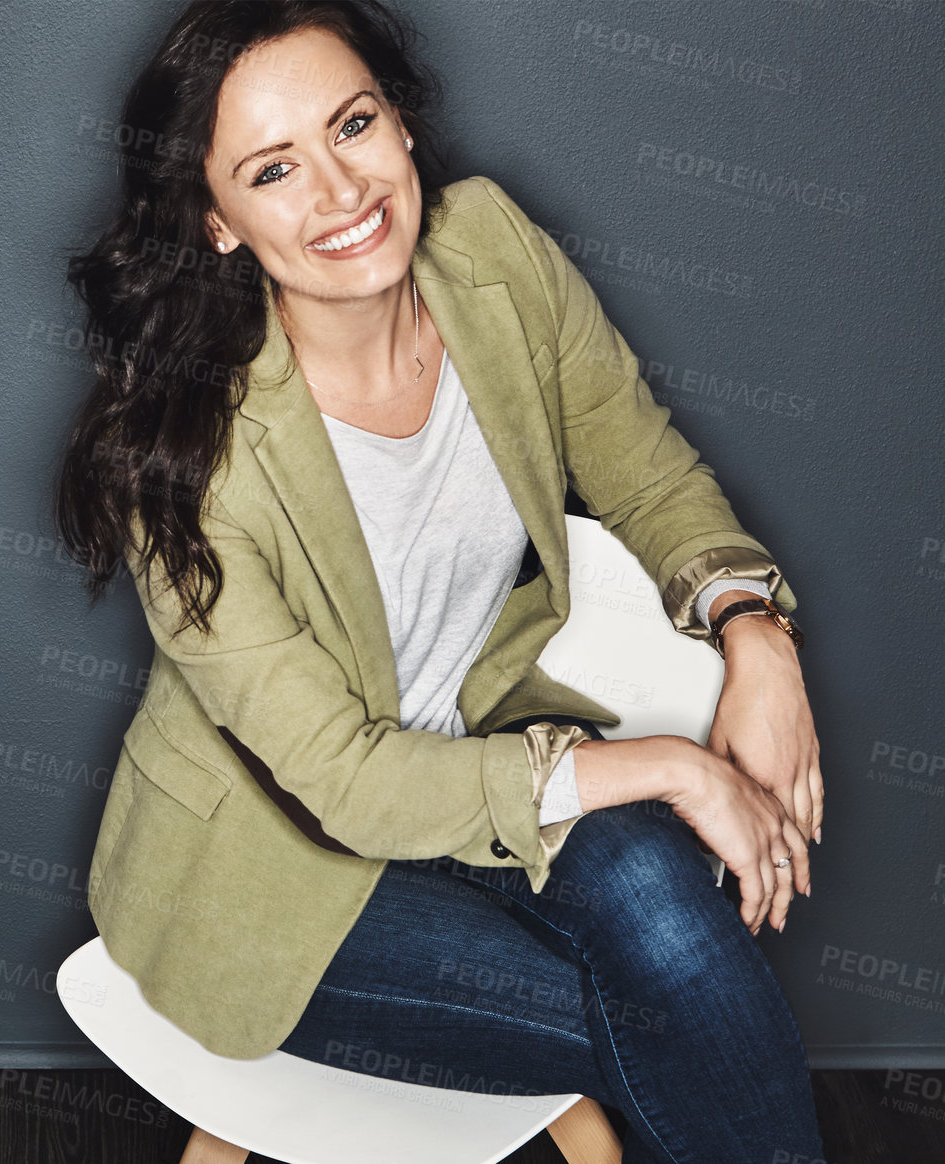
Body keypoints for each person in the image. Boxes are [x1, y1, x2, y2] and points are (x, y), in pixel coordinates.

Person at [49, 2, 827, 1160]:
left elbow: (645, 468)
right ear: (216, 222)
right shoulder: (183, 467)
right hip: (279, 870)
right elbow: (348, 786)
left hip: (477, 758)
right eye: (273, 170)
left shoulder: (493, 255)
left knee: (677, 941)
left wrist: (755, 632)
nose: (340, 190)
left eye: (352, 124)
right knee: (678, 1007)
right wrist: (675, 767)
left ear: (401, 125)